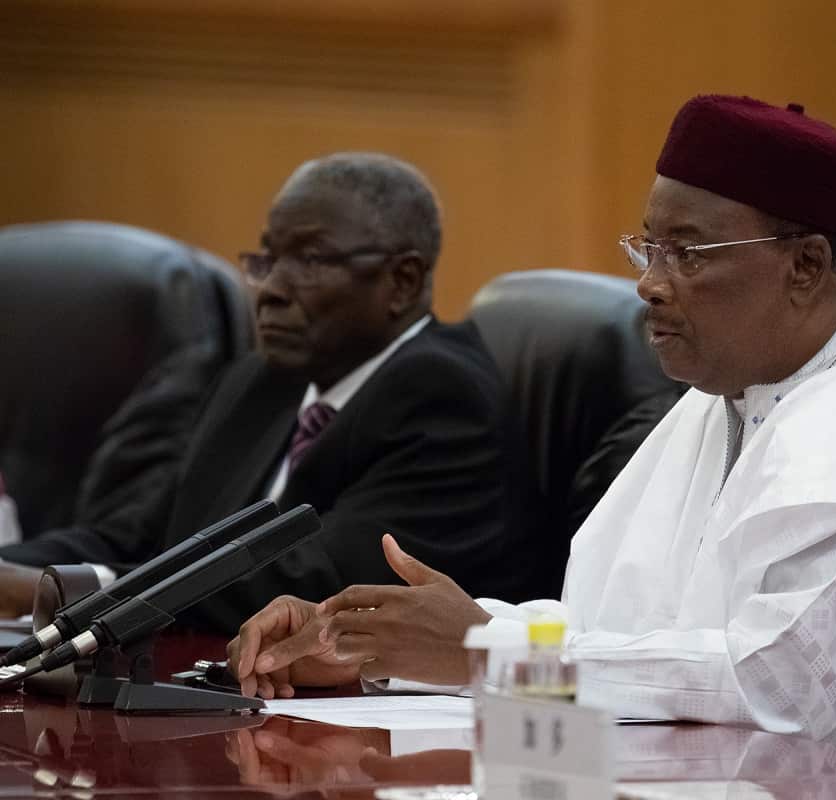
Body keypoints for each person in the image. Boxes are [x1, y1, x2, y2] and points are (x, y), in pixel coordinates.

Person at [227, 97, 836, 786]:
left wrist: (478, 653)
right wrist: (384, 647)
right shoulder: (723, 400)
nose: (649, 285)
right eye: (647, 247)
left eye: (687, 253)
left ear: (803, 265)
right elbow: (630, 642)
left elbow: (777, 690)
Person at [0, 152, 538, 634]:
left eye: (309, 261)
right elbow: (140, 537)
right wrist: (23, 571)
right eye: (266, 260)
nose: (271, 290)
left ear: (400, 282)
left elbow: (313, 586)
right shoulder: (266, 378)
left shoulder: (444, 397)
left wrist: (75, 592)